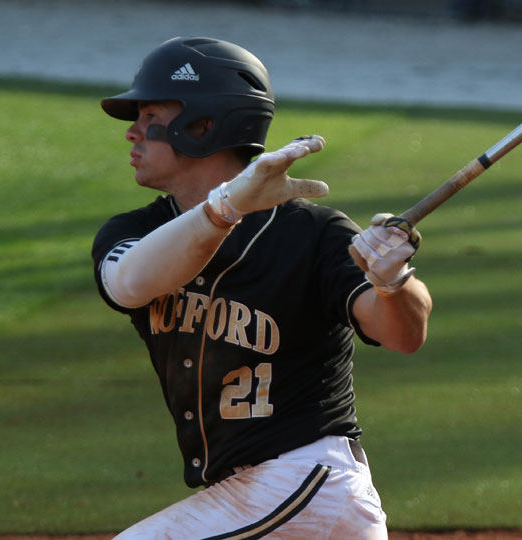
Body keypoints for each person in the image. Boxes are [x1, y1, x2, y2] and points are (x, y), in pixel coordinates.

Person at [92, 36, 432, 539]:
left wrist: (393, 282)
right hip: (253, 496)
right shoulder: (131, 234)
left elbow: (403, 334)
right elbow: (130, 283)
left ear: (202, 126)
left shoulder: (311, 233)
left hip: (308, 483)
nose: (132, 134)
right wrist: (224, 207)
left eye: (149, 117)